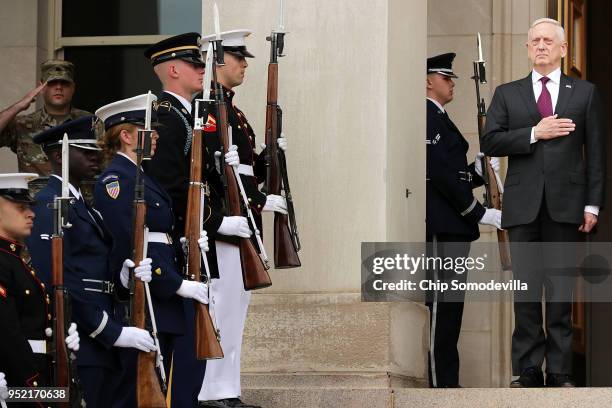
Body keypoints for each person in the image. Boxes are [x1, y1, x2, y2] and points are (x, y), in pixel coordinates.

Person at [481, 18, 605, 387]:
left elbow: (596, 153)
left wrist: (592, 205)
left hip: (567, 206)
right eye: (534, 40)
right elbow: (491, 142)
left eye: (548, 40)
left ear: (563, 49)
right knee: (526, 291)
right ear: (527, 48)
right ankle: (530, 370)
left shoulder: (584, 93)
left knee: (562, 291)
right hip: (522, 208)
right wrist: (535, 132)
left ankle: (562, 372)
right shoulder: (508, 93)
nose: (540, 46)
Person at [27, 117, 157, 407]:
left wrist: (122, 280)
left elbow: (94, 268)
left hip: (100, 334)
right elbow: (58, 277)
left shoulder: (81, 204)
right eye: (84, 151)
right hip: (83, 336)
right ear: (58, 155)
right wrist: (110, 331)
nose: (95, 156)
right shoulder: (52, 204)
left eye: (95, 150)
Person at [94, 94, 210, 406]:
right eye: (149, 131)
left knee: (161, 383)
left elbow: (158, 235)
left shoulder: (142, 176)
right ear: (126, 135)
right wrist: (174, 282)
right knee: (135, 390)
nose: (156, 137)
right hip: (146, 293)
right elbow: (130, 244)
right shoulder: (116, 180)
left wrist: (186, 249)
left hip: (160, 295)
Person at [194, 29, 288, 408]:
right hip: (227, 221)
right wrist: (259, 201)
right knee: (223, 307)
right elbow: (214, 175)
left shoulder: (232, 111)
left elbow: (244, 170)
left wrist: (269, 157)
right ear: (218, 62)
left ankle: (227, 388)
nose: (245, 65)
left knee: (237, 308)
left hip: (243, 218)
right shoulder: (211, 110)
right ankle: (211, 391)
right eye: (238, 58)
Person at [425, 52, 502, 388]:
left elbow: (454, 175)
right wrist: (479, 212)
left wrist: (477, 170)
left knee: (452, 308)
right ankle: (439, 383)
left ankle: (447, 382)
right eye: (445, 77)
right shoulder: (426, 116)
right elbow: (439, 174)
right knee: (441, 306)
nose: (452, 82)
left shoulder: (439, 118)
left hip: (454, 226)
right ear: (428, 81)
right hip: (443, 224)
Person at [143, 32, 208, 408]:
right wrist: (189, 233)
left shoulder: (186, 115)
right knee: (180, 357)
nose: (203, 70)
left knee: (191, 356)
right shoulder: (168, 118)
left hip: (192, 240)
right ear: (172, 70)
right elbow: (167, 187)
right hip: (179, 245)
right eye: (195, 65)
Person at [0, 173, 80, 407]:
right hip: (19, 384)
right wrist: (36, 390)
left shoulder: (15, 261)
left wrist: (61, 340)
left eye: (30, 206)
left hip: (36, 380)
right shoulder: (4, 263)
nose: (31, 213)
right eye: (20, 207)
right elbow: (7, 334)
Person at [0, 60, 98, 193]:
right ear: (41, 87)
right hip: (36, 208)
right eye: (52, 83)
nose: (59, 87)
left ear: (73, 87)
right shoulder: (22, 124)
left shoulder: (90, 123)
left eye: (65, 83)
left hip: (80, 206)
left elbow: (107, 162)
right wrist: (18, 106)